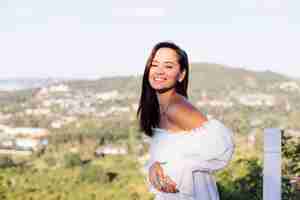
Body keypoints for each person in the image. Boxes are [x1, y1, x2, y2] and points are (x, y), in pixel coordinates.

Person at [137, 41, 234, 200]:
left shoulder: (176, 108)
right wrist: (154, 166)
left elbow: (222, 146)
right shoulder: (161, 107)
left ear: (181, 74)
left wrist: (175, 166)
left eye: (168, 66)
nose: (159, 71)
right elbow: (177, 150)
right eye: (155, 65)